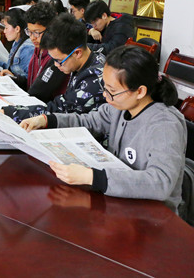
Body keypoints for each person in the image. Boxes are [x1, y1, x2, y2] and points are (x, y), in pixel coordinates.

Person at [20, 46, 186, 213]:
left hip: (153, 213)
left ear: (140, 91)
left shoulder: (164, 125)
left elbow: (161, 181)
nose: (106, 96)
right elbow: (89, 121)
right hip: (121, 200)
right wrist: (47, 120)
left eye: (112, 91)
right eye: (104, 87)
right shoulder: (120, 106)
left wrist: (92, 177)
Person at [2, 13, 105, 122]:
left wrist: (11, 113)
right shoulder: (85, 60)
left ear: (77, 53)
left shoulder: (93, 79)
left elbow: (60, 109)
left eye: (59, 61)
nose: (56, 65)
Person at [3, 2, 67, 103]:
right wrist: (13, 79)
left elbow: (40, 92)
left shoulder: (56, 55)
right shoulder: (38, 49)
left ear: (50, 29)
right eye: (29, 32)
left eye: (36, 32)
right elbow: (31, 83)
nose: (32, 37)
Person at [0, 8, 34, 78]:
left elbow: (29, 79)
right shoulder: (16, 43)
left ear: (17, 29)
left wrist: (14, 77)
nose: (4, 31)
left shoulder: (27, 48)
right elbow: (10, 68)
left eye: (6, 28)